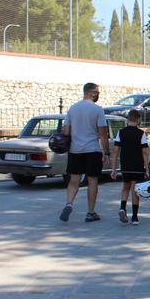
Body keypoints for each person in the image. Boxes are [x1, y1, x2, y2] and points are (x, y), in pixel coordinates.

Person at [59, 82, 110, 223]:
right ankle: (90, 212)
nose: (98, 95)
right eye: (97, 92)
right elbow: (103, 134)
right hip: (92, 150)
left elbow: (66, 130)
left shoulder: (73, 108)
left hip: (75, 150)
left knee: (74, 180)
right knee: (92, 180)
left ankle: (69, 203)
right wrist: (106, 153)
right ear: (91, 92)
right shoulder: (98, 110)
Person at [110, 110, 149, 225]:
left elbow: (116, 152)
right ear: (138, 120)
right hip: (137, 166)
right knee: (135, 190)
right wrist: (147, 168)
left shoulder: (121, 132)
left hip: (125, 165)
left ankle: (122, 208)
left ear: (127, 120)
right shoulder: (141, 134)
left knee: (125, 187)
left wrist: (113, 169)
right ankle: (135, 217)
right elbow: (144, 153)